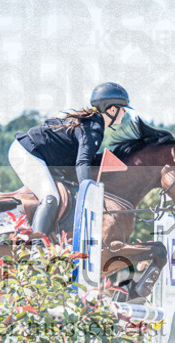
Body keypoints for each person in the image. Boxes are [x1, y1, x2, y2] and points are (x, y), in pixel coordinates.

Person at [8, 82, 132, 238]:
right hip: (26, 152)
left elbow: (84, 159)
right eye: (123, 108)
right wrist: (90, 193)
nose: (125, 112)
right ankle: (37, 248)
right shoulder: (94, 128)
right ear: (112, 109)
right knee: (50, 198)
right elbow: (82, 163)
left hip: (37, 153)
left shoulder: (92, 123)